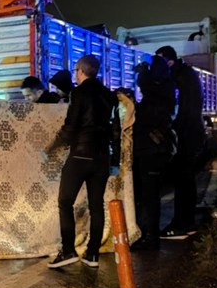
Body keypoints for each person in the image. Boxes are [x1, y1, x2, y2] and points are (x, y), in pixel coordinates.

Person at [48, 55, 117, 268]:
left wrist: (54, 146)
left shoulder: (79, 93)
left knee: (64, 201)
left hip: (80, 155)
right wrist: (116, 160)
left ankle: (68, 251)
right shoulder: (109, 94)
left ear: (80, 71)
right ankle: (92, 253)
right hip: (102, 157)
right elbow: (115, 128)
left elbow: (72, 124)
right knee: (97, 206)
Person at [155, 45, 206, 239]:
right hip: (191, 133)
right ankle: (186, 222)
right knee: (185, 180)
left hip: (187, 135)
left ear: (168, 61)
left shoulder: (179, 78)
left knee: (183, 180)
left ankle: (181, 224)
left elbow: (181, 110)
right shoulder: (187, 74)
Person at [130, 57, 177, 251]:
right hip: (154, 150)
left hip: (152, 151)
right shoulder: (162, 92)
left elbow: (145, 117)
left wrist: (142, 76)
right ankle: (149, 233)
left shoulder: (158, 95)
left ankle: (151, 237)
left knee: (150, 196)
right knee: (149, 194)